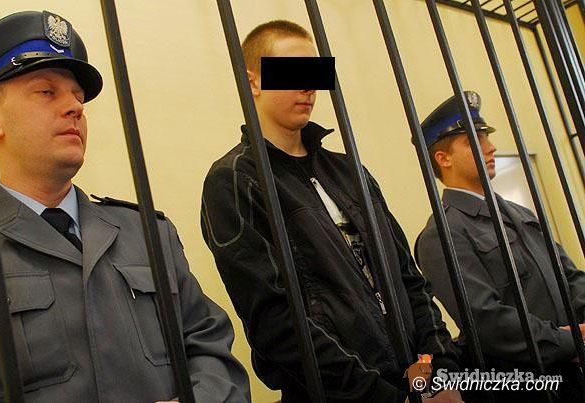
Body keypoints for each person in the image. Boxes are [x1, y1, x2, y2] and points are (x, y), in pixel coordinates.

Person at [0, 10, 250, 402]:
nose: (75, 107)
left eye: (78, 97)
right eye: (46, 92)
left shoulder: (148, 234)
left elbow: (210, 348)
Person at [201, 20, 462, 403]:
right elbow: (276, 325)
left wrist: (440, 373)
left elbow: (409, 279)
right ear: (252, 81)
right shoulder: (235, 180)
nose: (309, 86)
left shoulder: (350, 171)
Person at [415, 91, 585, 401]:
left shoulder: (519, 213)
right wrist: (570, 343)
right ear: (443, 159)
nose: (490, 147)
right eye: (474, 140)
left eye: (487, 137)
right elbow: (487, 322)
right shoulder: (443, 235)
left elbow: (569, 276)